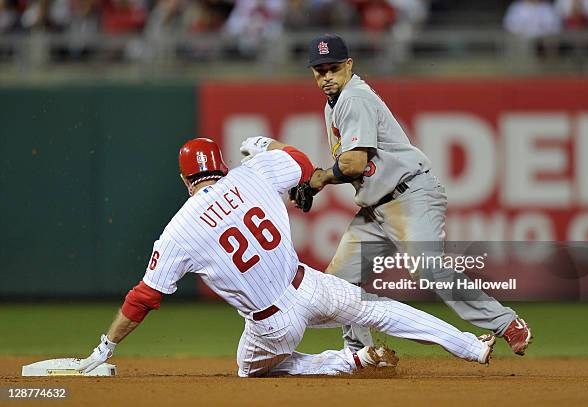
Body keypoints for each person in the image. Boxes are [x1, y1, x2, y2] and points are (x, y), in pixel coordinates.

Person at [77, 137, 496, 377]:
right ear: (221, 165)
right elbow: (301, 162)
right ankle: (469, 347)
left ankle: (348, 361)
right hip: (309, 285)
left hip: (272, 324)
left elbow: (143, 298)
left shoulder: (179, 231)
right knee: (380, 309)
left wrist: (106, 346)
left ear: (186, 178)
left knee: (249, 370)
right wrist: (264, 146)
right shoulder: (254, 172)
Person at [301, 34, 533, 356]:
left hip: (409, 195)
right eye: (320, 70)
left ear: (349, 65)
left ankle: (506, 322)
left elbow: (354, 163)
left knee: (428, 268)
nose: (327, 76)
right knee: (339, 284)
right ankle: (361, 354)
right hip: (376, 208)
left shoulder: (353, 98)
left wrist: (320, 179)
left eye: (333, 68)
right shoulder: (335, 104)